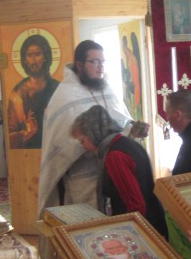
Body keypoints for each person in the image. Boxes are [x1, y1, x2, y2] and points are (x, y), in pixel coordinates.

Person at [38, 40, 142, 213]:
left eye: (103, 61)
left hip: (112, 170)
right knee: (87, 221)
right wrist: (94, 143)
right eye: (95, 61)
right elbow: (61, 143)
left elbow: (120, 120)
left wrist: (131, 129)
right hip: (83, 175)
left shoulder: (106, 88)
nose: (101, 67)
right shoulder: (64, 96)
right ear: (79, 64)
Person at [72, 105, 168, 238]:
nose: (83, 146)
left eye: (82, 140)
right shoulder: (128, 143)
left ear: (93, 134)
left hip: (144, 231)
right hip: (154, 223)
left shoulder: (115, 156)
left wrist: (129, 238)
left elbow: (136, 206)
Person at [6, 34, 60, 148]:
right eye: (29, 55)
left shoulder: (57, 88)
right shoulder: (18, 93)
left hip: (54, 147)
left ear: (45, 57)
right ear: (24, 59)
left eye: (37, 54)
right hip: (27, 151)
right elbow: (10, 134)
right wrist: (27, 133)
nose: (33, 60)